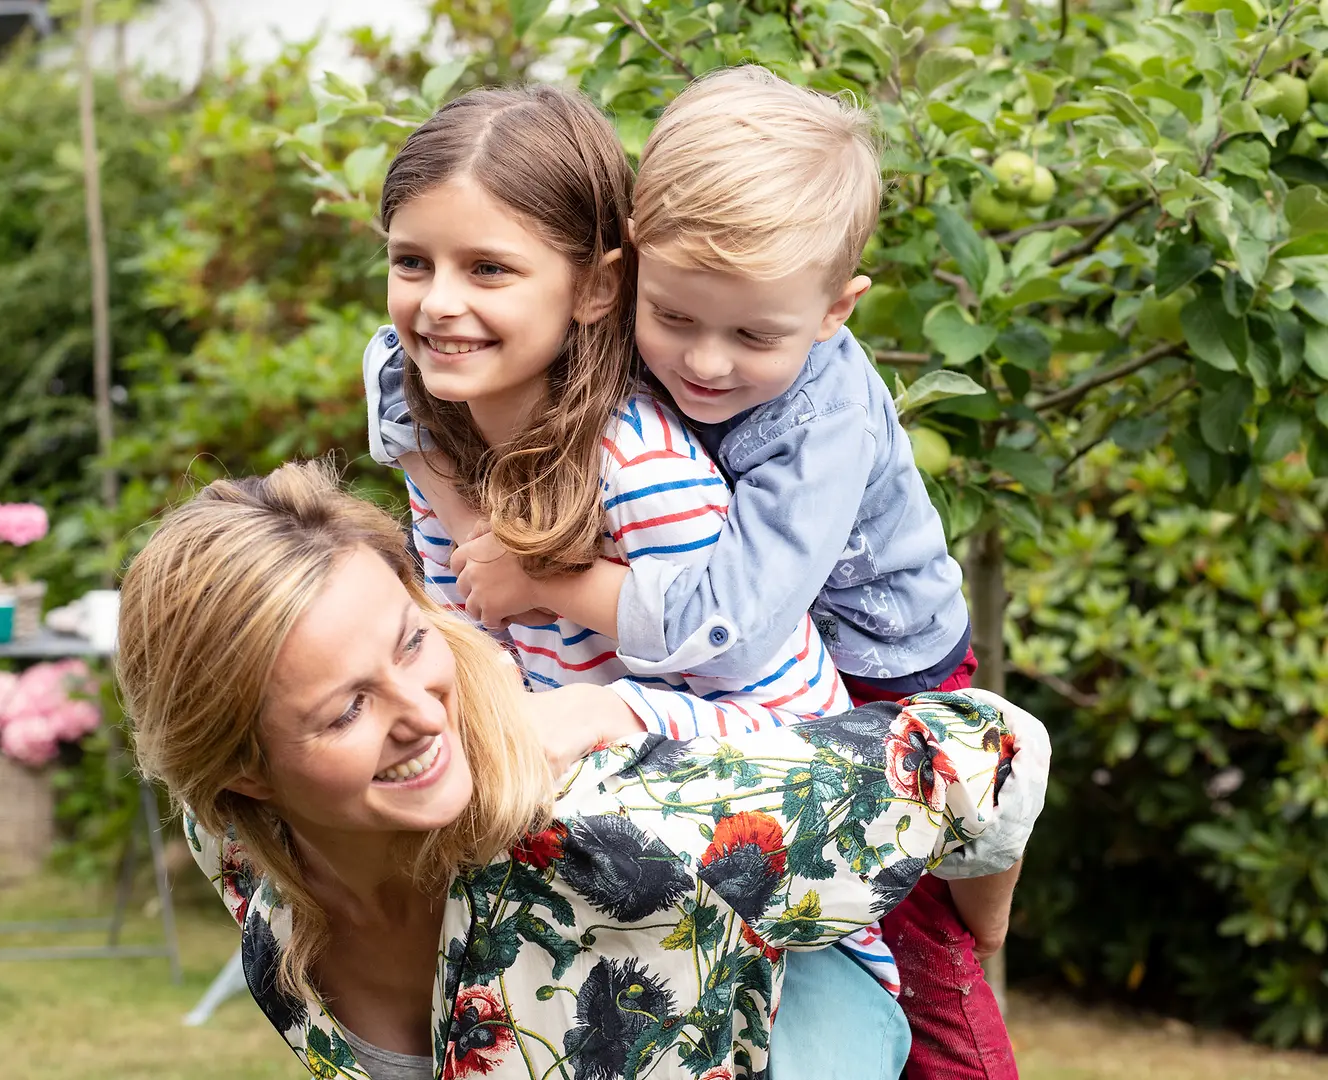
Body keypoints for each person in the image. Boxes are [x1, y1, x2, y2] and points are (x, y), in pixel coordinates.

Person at [367, 68, 1017, 1077]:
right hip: (739, 658)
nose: (705, 364)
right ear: (624, 281)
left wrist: (546, 583)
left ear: (836, 311)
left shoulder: (818, 420)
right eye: (672, 319)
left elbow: (738, 626)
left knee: (930, 935)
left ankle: (989, 872)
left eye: (754, 335)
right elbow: (402, 353)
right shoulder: (615, 355)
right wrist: (444, 485)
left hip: (881, 657)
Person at [116, 458, 1051, 1080]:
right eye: (347, 708)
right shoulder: (243, 853)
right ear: (243, 775)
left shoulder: (631, 834)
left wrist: (983, 928)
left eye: (410, 643)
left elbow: (988, 745)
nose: (420, 713)